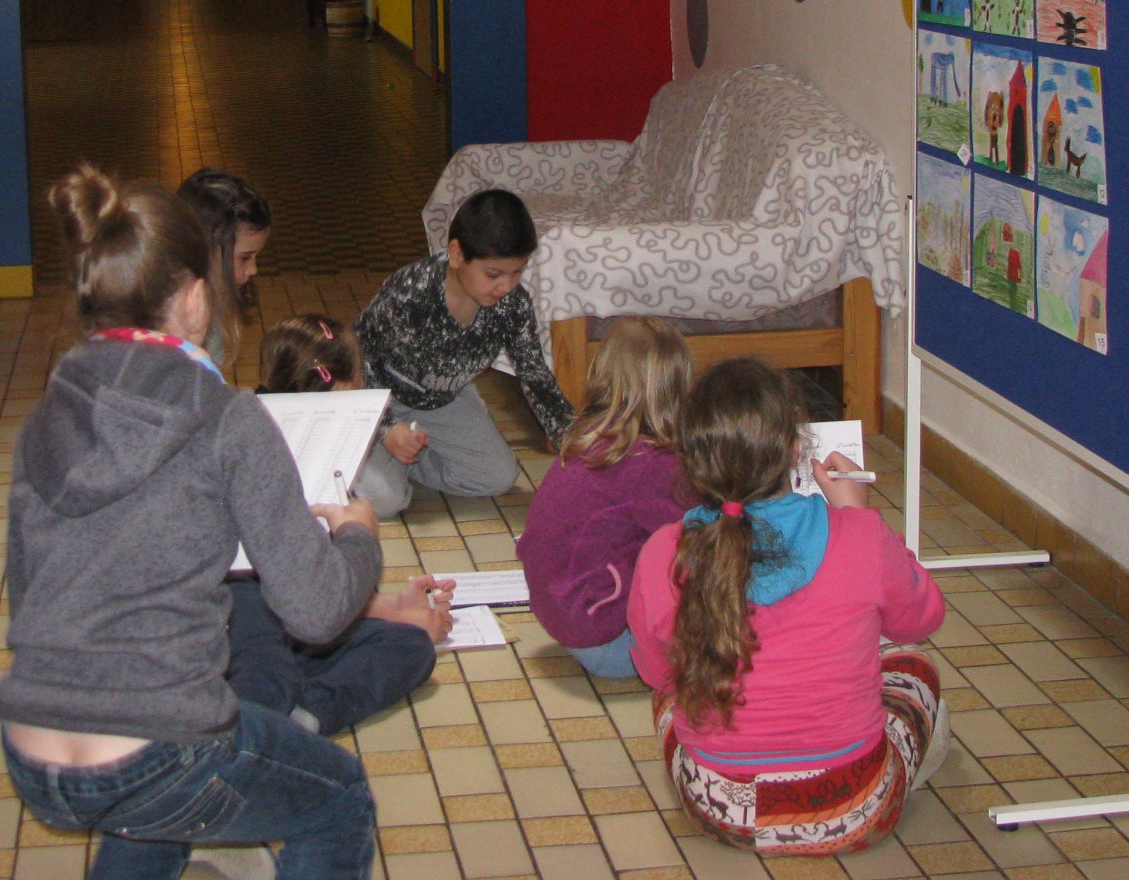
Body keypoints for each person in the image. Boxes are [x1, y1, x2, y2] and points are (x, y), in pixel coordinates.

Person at [0, 165, 380, 880]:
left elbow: (30, 593)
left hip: (32, 748)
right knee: (338, 798)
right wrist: (359, 538)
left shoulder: (45, 418)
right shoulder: (228, 418)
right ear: (196, 297)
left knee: (158, 802)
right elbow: (317, 611)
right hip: (161, 746)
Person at [627, 359, 950, 857]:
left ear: (689, 458)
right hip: (852, 805)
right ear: (796, 449)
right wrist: (856, 513)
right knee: (915, 665)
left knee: (675, 686)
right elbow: (923, 618)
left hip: (719, 808)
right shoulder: (860, 536)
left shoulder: (663, 552)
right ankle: (913, 758)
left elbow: (657, 673)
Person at [223, 315, 451, 736]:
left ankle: (304, 714)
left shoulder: (318, 447)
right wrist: (357, 538)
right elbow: (292, 598)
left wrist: (391, 609)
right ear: (345, 388)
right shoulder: (260, 441)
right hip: (246, 611)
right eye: (361, 374)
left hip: (295, 618)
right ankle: (274, 719)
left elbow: (314, 600)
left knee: (412, 645)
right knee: (268, 671)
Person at [354, 189, 572, 515]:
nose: (507, 286)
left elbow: (535, 377)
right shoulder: (410, 292)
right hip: (379, 400)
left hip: (445, 399)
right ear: (456, 254)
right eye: (493, 274)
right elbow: (357, 361)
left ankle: (406, 457)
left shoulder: (512, 304)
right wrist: (384, 429)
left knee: (497, 477)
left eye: (518, 271)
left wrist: (580, 446)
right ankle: (378, 453)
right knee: (384, 501)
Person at [516, 317, 691, 678]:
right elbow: (698, 534)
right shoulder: (652, 464)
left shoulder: (589, 439)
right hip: (609, 641)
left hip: (566, 617)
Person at [174, 169, 272, 373]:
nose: (253, 269)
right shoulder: (172, 318)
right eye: (245, 257)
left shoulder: (211, 300)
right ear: (205, 248)